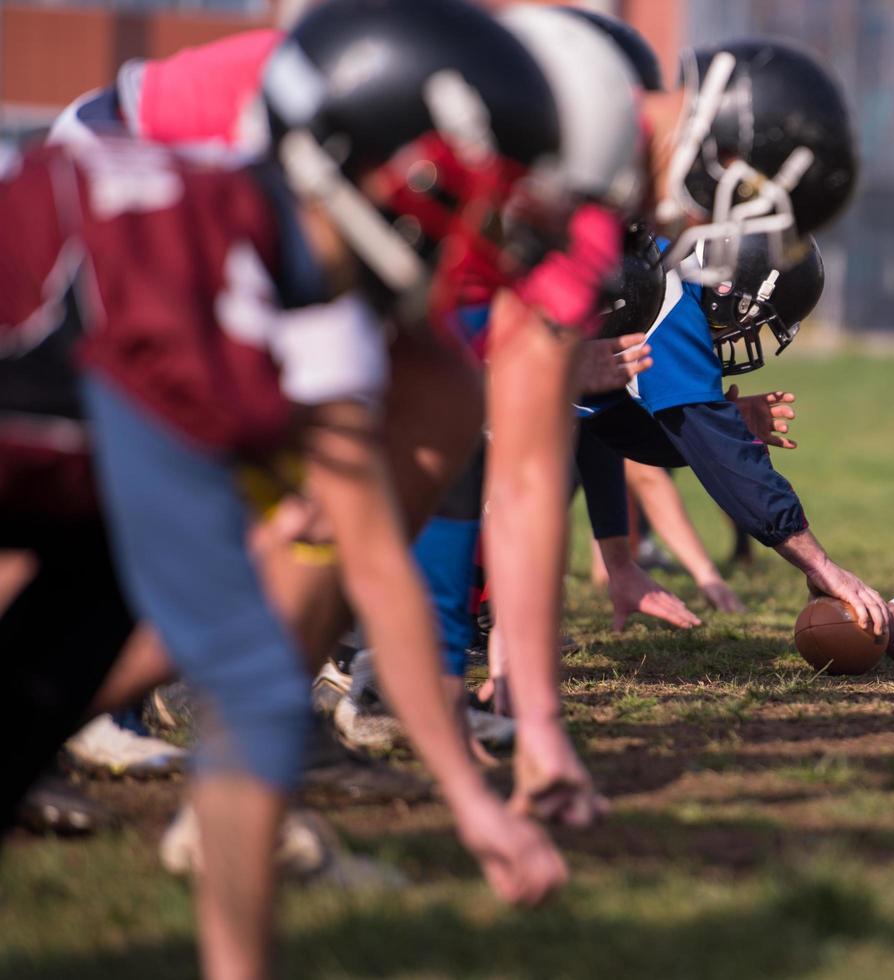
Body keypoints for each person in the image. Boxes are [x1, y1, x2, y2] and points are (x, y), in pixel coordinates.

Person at [1, 1, 603, 973]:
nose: (493, 230)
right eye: (477, 192)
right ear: (383, 166)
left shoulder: (279, 261)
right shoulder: (203, 272)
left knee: (94, 608)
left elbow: (373, 559)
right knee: (244, 671)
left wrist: (465, 798)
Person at [578, 231, 892, 632]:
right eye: (751, 318)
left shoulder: (653, 267)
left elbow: (593, 419)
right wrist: (820, 565)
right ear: (728, 287)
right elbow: (726, 461)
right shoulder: (665, 300)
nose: (741, 335)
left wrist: (619, 562)